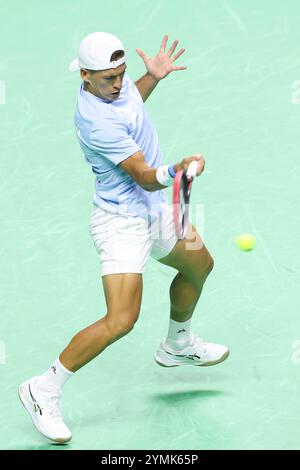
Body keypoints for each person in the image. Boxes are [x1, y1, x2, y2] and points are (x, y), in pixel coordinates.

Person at [18, 32, 229, 444]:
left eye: (122, 74)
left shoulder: (114, 90)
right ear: (84, 76)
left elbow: (132, 104)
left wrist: (151, 77)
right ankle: (43, 388)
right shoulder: (95, 120)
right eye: (109, 79)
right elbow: (146, 179)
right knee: (121, 320)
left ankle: (177, 342)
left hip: (155, 211)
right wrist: (178, 170)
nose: (119, 84)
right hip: (121, 222)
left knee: (199, 264)